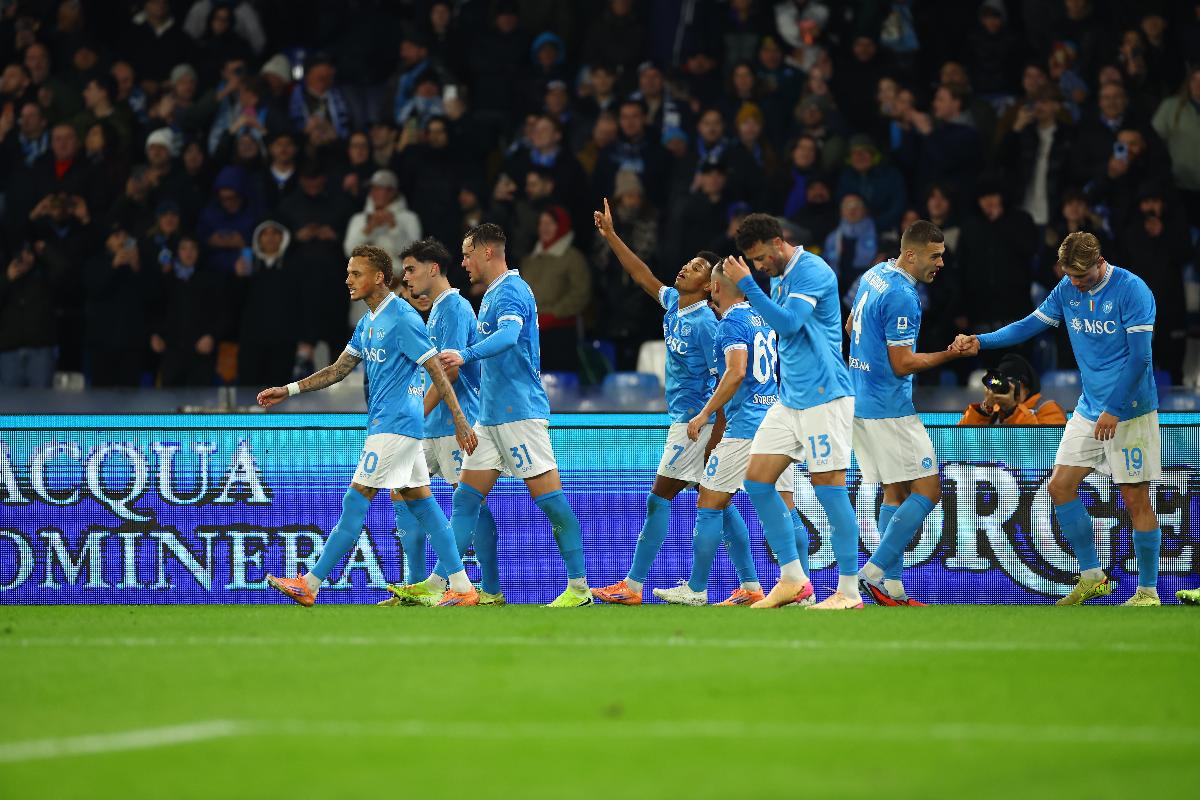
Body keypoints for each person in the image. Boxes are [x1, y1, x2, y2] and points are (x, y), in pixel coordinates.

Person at [261, 245, 480, 607]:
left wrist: (459, 419)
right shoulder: (368, 322)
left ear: (379, 277)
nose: (348, 280)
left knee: (355, 499)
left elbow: (436, 369)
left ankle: (310, 584)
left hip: (394, 426)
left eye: (356, 274)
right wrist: (289, 390)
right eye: (348, 273)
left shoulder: (402, 317)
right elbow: (338, 370)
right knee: (423, 505)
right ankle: (462, 586)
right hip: (395, 427)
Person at [954, 232, 1162, 607]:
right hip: (1089, 408)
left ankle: (1147, 591)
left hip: (1130, 410)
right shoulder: (1067, 288)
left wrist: (1114, 409)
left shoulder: (1132, 290)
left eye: (1081, 276)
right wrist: (981, 341)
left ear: (1100, 263)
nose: (1075, 284)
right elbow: (1027, 326)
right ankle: (1093, 577)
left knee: (1136, 499)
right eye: (1070, 276)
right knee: (1060, 486)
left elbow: (1140, 359)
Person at [389, 224, 592, 608]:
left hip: (519, 414)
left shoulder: (511, 290)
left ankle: (580, 588)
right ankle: (441, 583)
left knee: (551, 502)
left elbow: (509, 337)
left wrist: (466, 354)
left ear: (487, 252)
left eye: (467, 254)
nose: (463, 262)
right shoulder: (491, 295)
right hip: (490, 417)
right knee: (465, 500)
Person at [589, 200, 761, 606]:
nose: (686, 267)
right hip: (691, 423)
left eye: (698, 268)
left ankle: (633, 586)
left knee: (659, 498)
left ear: (709, 286)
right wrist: (612, 235)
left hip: (695, 425)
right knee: (719, 504)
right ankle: (751, 586)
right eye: (688, 263)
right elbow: (642, 275)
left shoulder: (707, 324)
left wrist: (714, 437)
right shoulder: (674, 304)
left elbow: (727, 381)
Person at [724, 213, 859, 609]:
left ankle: (849, 591)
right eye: (753, 262)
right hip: (790, 399)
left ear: (778, 243)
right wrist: (756, 284)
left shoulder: (812, 270)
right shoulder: (779, 276)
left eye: (761, 258)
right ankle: (793, 579)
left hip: (824, 396)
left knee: (829, 490)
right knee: (757, 481)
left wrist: (747, 284)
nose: (759, 266)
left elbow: (788, 324)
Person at [652, 258, 800, 607]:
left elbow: (735, 372)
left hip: (745, 426)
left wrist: (704, 413)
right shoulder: (760, 316)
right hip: (776, 421)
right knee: (785, 506)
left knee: (709, 501)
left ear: (715, 288)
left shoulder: (730, 323)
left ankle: (696, 589)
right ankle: (800, 589)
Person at [848, 221, 975, 607]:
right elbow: (902, 363)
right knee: (928, 489)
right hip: (889, 407)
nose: (940, 263)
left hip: (860, 399)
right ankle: (873, 573)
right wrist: (950, 354)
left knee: (896, 491)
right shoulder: (904, 295)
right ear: (910, 254)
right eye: (934, 256)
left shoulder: (874, 274)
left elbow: (851, 325)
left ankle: (893, 588)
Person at [382, 237, 503, 607]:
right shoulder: (436, 310)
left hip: (453, 424)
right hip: (431, 425)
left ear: (433, 269)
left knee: (468, 502)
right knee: (403, 491)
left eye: (411, 270)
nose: (406, 278)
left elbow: (447, 372)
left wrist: (414, 417)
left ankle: (491, 589)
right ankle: (416, 586)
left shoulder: (453, 308)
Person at [957, 352, 1067, 425]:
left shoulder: (1049, 409)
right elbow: (961, 440)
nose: (1006, 388)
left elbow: (1040, 446)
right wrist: (984, 410)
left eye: (1010, 384)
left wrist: (1012, 410)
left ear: (1026, 388)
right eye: (1002, 383)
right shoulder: (994, 410)